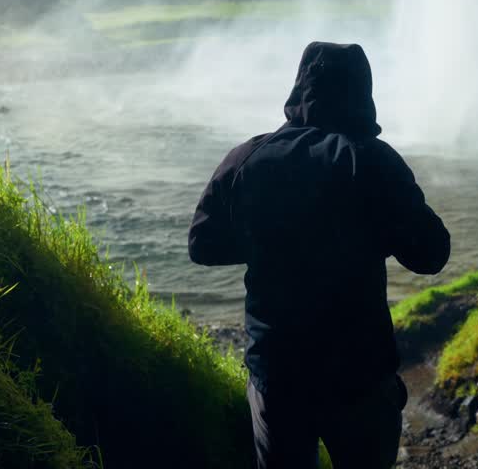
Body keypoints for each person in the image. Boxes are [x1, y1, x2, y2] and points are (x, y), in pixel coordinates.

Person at [189, 41, 451, 469]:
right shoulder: (373, 161)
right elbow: (432, 254)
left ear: (299, 87)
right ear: (363, 92)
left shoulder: (247, 158)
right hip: (359, 376)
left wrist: (268, 238)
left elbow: (202, 244)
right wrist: (375, 233)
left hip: (277, 373)